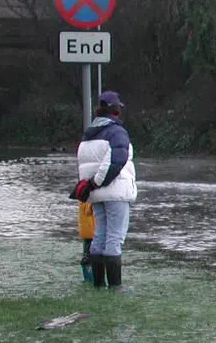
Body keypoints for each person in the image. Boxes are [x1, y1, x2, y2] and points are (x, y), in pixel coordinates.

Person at [74, 90, 136, 290]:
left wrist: (91, 186)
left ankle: (98, 284)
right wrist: (97, 182)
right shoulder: (117, 132)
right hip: (115, 191)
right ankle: (115, 287)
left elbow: (84, 165)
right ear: (115, 110)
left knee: (99, 235)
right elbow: (117, 161)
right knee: (115, 238)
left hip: (96, 195)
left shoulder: (88, 134)